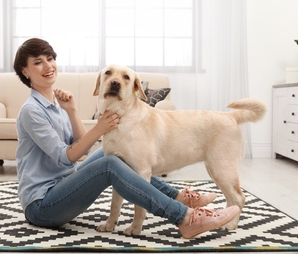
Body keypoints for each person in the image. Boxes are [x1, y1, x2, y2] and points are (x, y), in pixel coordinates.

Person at [14, 37, 239, 239]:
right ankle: (185, 218)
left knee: (111, 155)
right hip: (43, 206)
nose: (47, 66)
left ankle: (178, 196)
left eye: (50, 59)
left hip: (64, 189)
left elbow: (83, 148)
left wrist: (71, 110)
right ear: (25, 71)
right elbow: (66, 158)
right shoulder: (31, 110)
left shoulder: (55, 103)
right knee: (110, 163)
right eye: (37, 62)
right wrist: (100, 128)